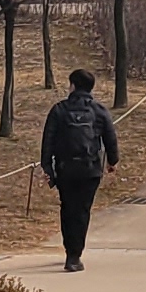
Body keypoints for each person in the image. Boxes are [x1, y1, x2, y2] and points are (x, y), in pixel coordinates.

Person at [38, 67, 117, 271]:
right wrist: (112, 161)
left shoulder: (59, 110)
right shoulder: (99, 110)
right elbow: (110, 138)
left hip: (66, 169)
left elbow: (48, 141)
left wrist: (47, 168)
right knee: (82, 211)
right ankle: (75, 255)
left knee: (67, 208)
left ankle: (70, 252)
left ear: (72, 86)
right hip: (90, 169)